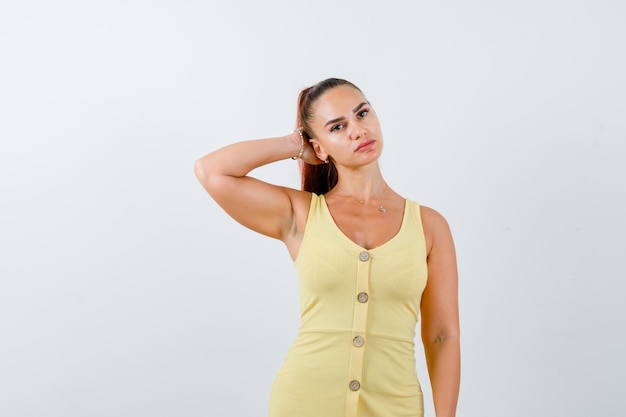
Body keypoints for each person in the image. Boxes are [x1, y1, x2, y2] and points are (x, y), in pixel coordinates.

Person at [194, 78, 460, 417]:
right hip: (304, 402)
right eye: (338, 126)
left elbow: (442, 336)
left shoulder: (429, 225)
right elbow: (211, 171)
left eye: (362, 113)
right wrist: (293, 144)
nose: (358, 130)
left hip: (396, 406)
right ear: (319, 148)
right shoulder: (301, 214)